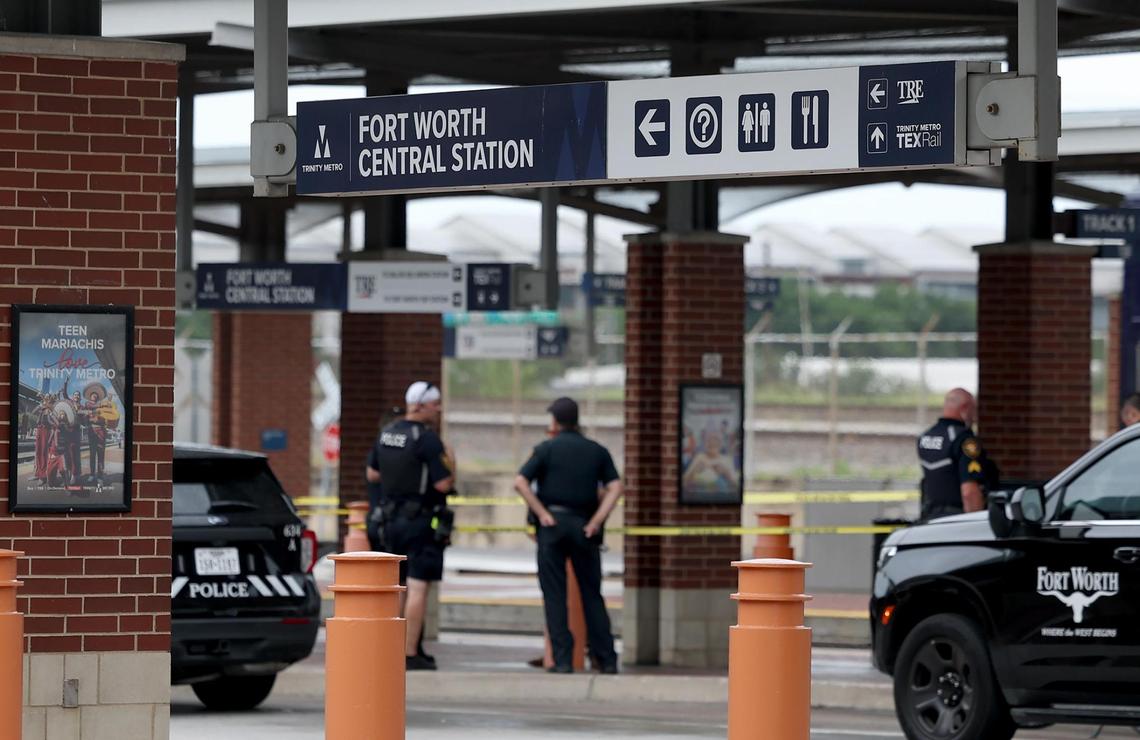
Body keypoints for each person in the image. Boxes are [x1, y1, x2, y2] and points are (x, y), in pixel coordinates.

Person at [514, 397, 621, 674]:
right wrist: (597, 520)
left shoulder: (546, 449)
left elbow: (520, 482)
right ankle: (606, 658)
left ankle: (562, 659)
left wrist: (542, 513)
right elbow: (616, 487)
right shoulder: (596, 451)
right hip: (585, 527)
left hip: (553, 526)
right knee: (591, 595)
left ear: (554, 421)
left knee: (554, 594)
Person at [366, 381, 455, 671]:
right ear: (419, 405)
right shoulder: (426, 439)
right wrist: (451, 460)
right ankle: (409, 651)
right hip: (419, 521)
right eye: (434, 403)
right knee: (417, 586)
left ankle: (391, 648)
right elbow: (444, 483)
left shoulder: (387, 433)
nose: (438, 409)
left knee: (397, 586)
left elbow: (372, 473)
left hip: (388, 521)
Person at [917, 388, 991, 520]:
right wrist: (975, 522)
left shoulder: (926, 437)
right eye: (974, 410)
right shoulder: (965, 440)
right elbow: (969, 492)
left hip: (930, 517)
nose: (974, 417)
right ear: (965, 408)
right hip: (956, 519)